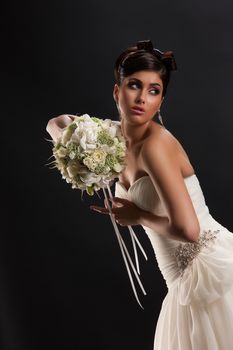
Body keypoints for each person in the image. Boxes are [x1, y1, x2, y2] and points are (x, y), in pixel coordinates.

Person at [46, 40, 233, 349]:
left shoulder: (156, 146)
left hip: (208, 272)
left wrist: (139, 216)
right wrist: (80, 144)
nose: (142, 99)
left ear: (161, 100)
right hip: (179, 282)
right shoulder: (110, 139)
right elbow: (57, 123)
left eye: (154, 90)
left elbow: (189, 230)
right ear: (117, 92)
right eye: (135, 86)